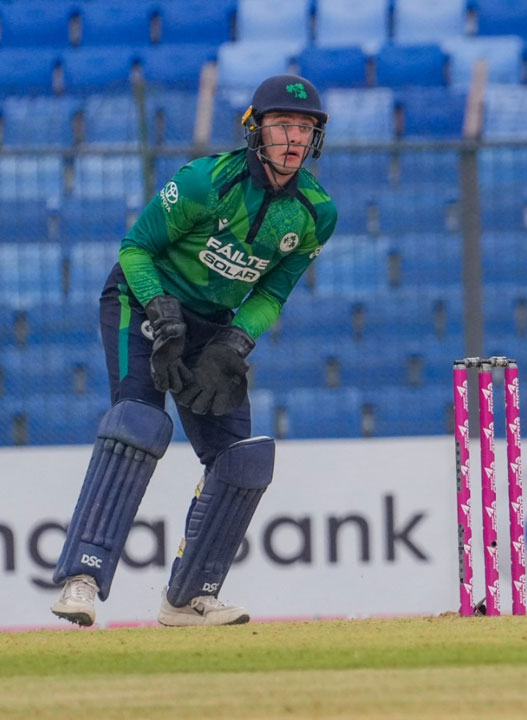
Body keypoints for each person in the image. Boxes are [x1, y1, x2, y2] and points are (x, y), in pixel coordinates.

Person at [49, 74, 337, 627]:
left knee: (242, 459)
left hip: (212, 323)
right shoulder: (207, 182)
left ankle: (187, 597)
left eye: (304, 129)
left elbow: (272, 293)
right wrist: (161, 311)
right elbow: (136, 247)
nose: (294, 139)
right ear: (256, 130)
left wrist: (234, 341)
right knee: (138, 422)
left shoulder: (315, 212)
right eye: (282, 125)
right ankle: (81, 578)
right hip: (141, 300)